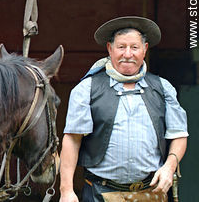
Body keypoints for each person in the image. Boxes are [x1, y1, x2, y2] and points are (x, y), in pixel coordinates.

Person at [59, 16, 188, 202]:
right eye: (121, 47)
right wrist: (66, 190)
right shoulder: (86, 89)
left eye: (134, 47)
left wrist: (170, 167)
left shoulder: (162, 87)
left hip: (152, 193)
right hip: (99, 194)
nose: (128, 54)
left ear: (144, 49)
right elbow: (72, 139)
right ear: (110, 49)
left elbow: (179, 134)